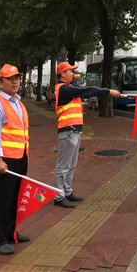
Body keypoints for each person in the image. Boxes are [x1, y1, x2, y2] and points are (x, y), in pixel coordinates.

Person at [53, 62, 121, 208]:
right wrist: (108, 91)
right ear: (63, 74)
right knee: (63, 165)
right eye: (70, 71)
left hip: (74, 130)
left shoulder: (68, 88)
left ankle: (67, 191)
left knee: (71, 164)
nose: (73, 74)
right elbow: (88, 90)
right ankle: (59, 196)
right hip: (68, 130)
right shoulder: (64, 88)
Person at [0, 64, 29, 255]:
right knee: (2, 199)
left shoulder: (18, 103)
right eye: (10, 79)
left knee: (14, 198)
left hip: (20, 157)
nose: (15, 82)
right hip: (4, 160)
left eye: (17, 78)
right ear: (0, 82)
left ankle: (10, 232)